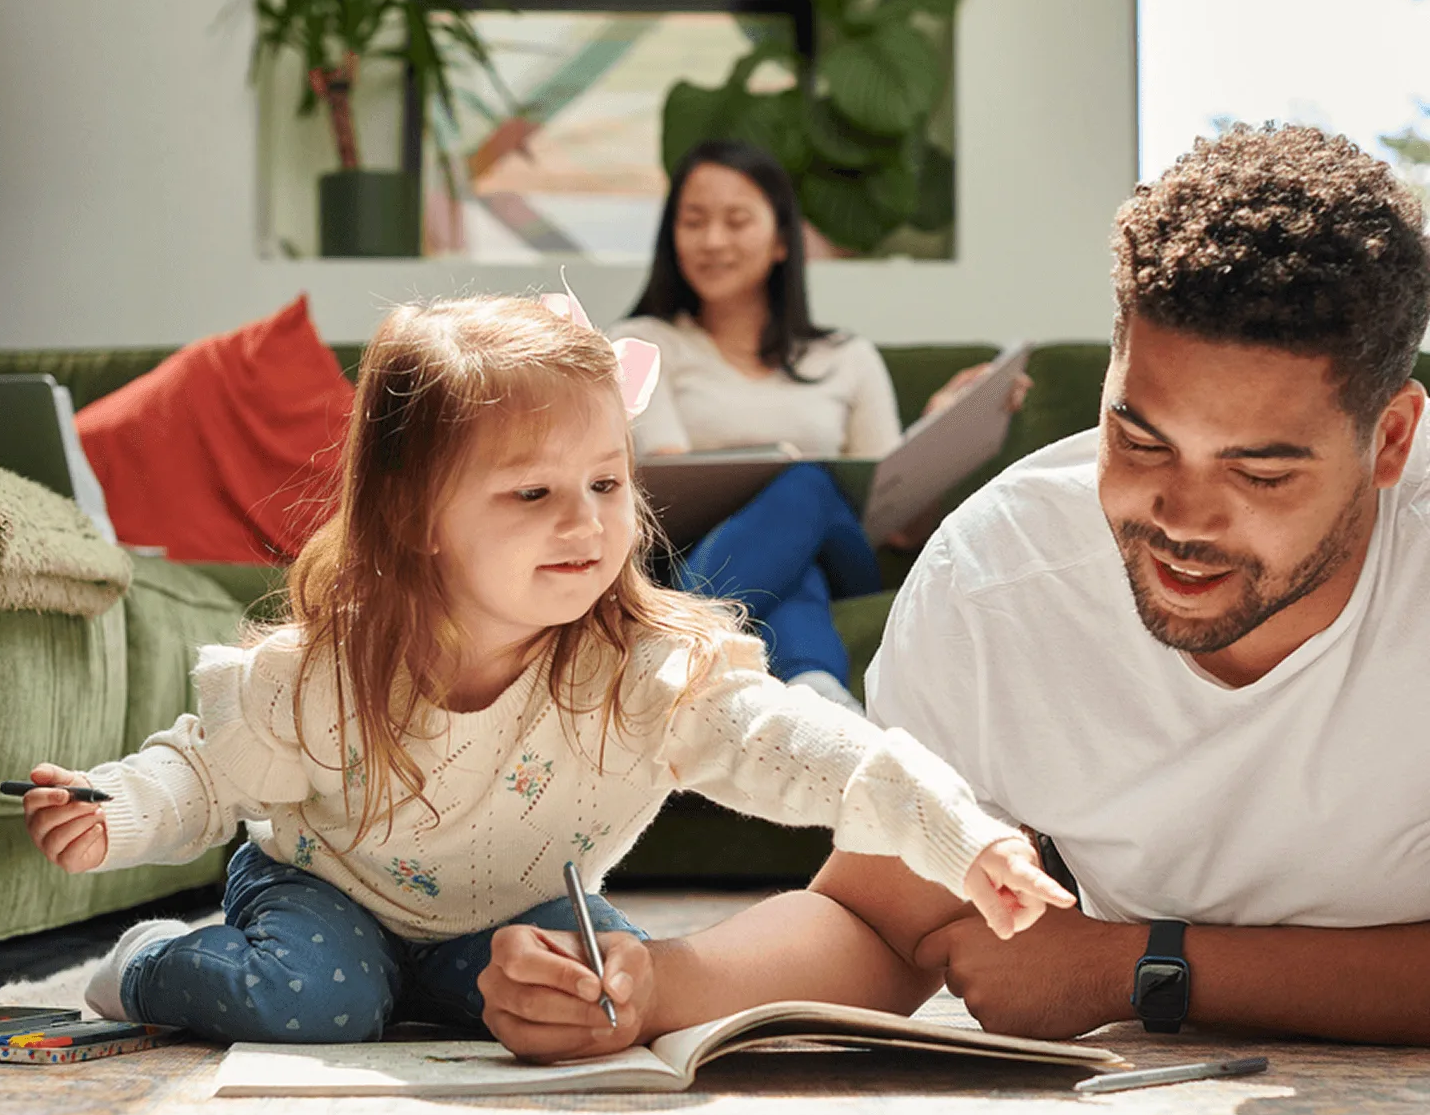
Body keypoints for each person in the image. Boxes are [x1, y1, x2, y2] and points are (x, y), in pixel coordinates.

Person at [482, 123, 1430, 1057]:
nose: (1181, 517)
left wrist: (1137, 970)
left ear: (1389, 442)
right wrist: (654, 985)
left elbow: (1110, 968)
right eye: (1140, 440)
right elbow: (886, 919)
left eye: (1260, 474)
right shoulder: (1000, 580)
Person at [19, 289, 1071, 1046]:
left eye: (608, 484)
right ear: (415, 518)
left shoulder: (648, 669)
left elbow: (803, 747)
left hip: (512, 905)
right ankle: (151, 962)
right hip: (323, 887)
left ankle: (425, 990)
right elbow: (204, 774)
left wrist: (959, 835)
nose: (587, 523)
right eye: (532, 494)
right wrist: (114, 811)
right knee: (321, 1004)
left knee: (597, 1000)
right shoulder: (334, 670)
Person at [614, 140, 1017, 714]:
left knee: (806, 483)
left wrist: (943, 423)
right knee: (794, 567)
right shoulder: (644, 341)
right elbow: (669, 480)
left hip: (838, 553)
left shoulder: (847, 357)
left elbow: (898, 528)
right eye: (694, 221)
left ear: (782, 239)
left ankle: (675, 647)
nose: (712, 241)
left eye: (736, 220)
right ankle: (820, 696)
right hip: (686, 550)